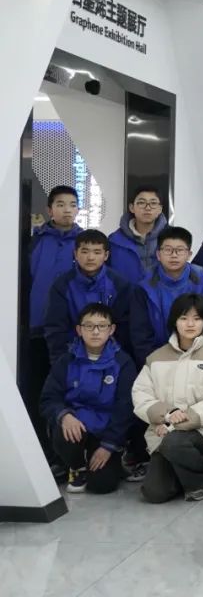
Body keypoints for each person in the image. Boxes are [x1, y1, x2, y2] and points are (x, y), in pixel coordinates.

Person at [132, 294, 203, 503]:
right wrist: (167, 415)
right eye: (184, 318)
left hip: (202, 433)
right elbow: (140, 394)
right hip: (164, 432)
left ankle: (198, 481)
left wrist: (174, 424)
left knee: (174, 442)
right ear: (174, 321)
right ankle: (183, 472)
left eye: (197, 318)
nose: (190, 324)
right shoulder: (156, 357)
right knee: (154, 493)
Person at [40, 303, 135, 494]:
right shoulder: (66, 360)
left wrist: (109, 445)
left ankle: (116, 458)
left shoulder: (123, 362)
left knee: (102, 485)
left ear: (112, 329)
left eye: (102, 326)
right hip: (77, 427)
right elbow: (48, 399)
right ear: (79, 330)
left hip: (107, 433)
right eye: (89, 326)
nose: (95, 331)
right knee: (63, 429)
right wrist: (64, 415)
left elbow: (125, 407)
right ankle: (77, 466)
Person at [26, 186, 83, 457]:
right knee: (37, 390)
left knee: (69, 392)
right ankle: (40, 454)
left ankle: (68, 456)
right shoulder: (34, 241)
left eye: (72, 204)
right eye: (60, 204)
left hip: (73, 332)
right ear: (50, 210)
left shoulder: (85, 243)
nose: (67, 210)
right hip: (36, 329)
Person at [130, 226, 203, 366]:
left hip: (197, 359)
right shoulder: (144, 288)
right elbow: (140, 335)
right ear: (158, 254)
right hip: (157, 361)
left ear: (189, 254)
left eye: (180, 250)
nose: (174, 255)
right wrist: (155, 365)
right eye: (168, 250)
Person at [44, 229, 132, 364]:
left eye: (97, 252)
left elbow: (123, 329)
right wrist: (61, 363)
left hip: (111, 357)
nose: (90, 257)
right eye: (85, 252)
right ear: (75, 254)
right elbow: (56, 329)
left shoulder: (119, 284)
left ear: (106, 255)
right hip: (72, 356)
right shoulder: (62, 285)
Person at [107, 185, 167, 284]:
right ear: (132, 208)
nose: (148, 208)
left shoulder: (171, 239)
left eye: (153, 203)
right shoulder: (114, 240)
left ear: (160, 209)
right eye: (141, 203)